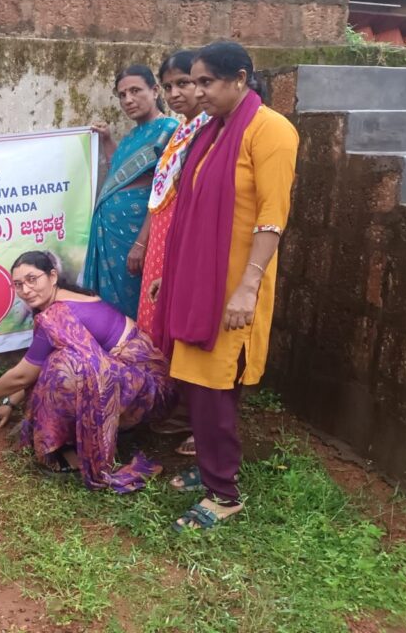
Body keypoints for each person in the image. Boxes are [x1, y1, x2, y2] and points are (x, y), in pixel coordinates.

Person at [153, 41, 298, 531]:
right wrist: (173, 274)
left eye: (206, 82)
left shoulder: (271, 131)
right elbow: (193, 211)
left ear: (239, 79)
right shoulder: (210, 131)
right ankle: (209, 464)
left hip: (235, 285)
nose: (197, 92)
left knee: (216, 386)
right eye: (192, 82)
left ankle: (224, 494)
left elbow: (272, 218)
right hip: (200, 281)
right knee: (197, 382)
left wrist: (248, 287)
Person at [0, 251, 177, 492]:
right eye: (18, 284)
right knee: (61, 362)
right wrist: (9, 403)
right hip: (144, 382)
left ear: (52, 276)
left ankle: (91, 446)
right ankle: (103, 432)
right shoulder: (67, 301)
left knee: (63, 366)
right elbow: (36, 368)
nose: (26, 290)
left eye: (32, 279)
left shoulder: (58, 313)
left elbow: (23, 375)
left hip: (151, 390)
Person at [138, 51, 211, 458]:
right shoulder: (184, 130)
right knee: (161, 321)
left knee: (186, 322)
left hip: (186, 241)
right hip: (164, 238)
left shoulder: (210, 131)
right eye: (169, 86)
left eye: (183, 83)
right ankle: (173, 403)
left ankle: (198, 417)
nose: (175, 93)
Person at [85, 66, 178, 319]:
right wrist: (107, 140)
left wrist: (141, 243)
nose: (128, 100)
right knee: (111, 309)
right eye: (122, 95)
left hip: (135, 233)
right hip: (111, 233)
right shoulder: (131, 136)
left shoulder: (169, 130)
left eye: (135, 91)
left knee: (136, 300)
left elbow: (165, 193)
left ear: (155, 91)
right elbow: (119, 172)